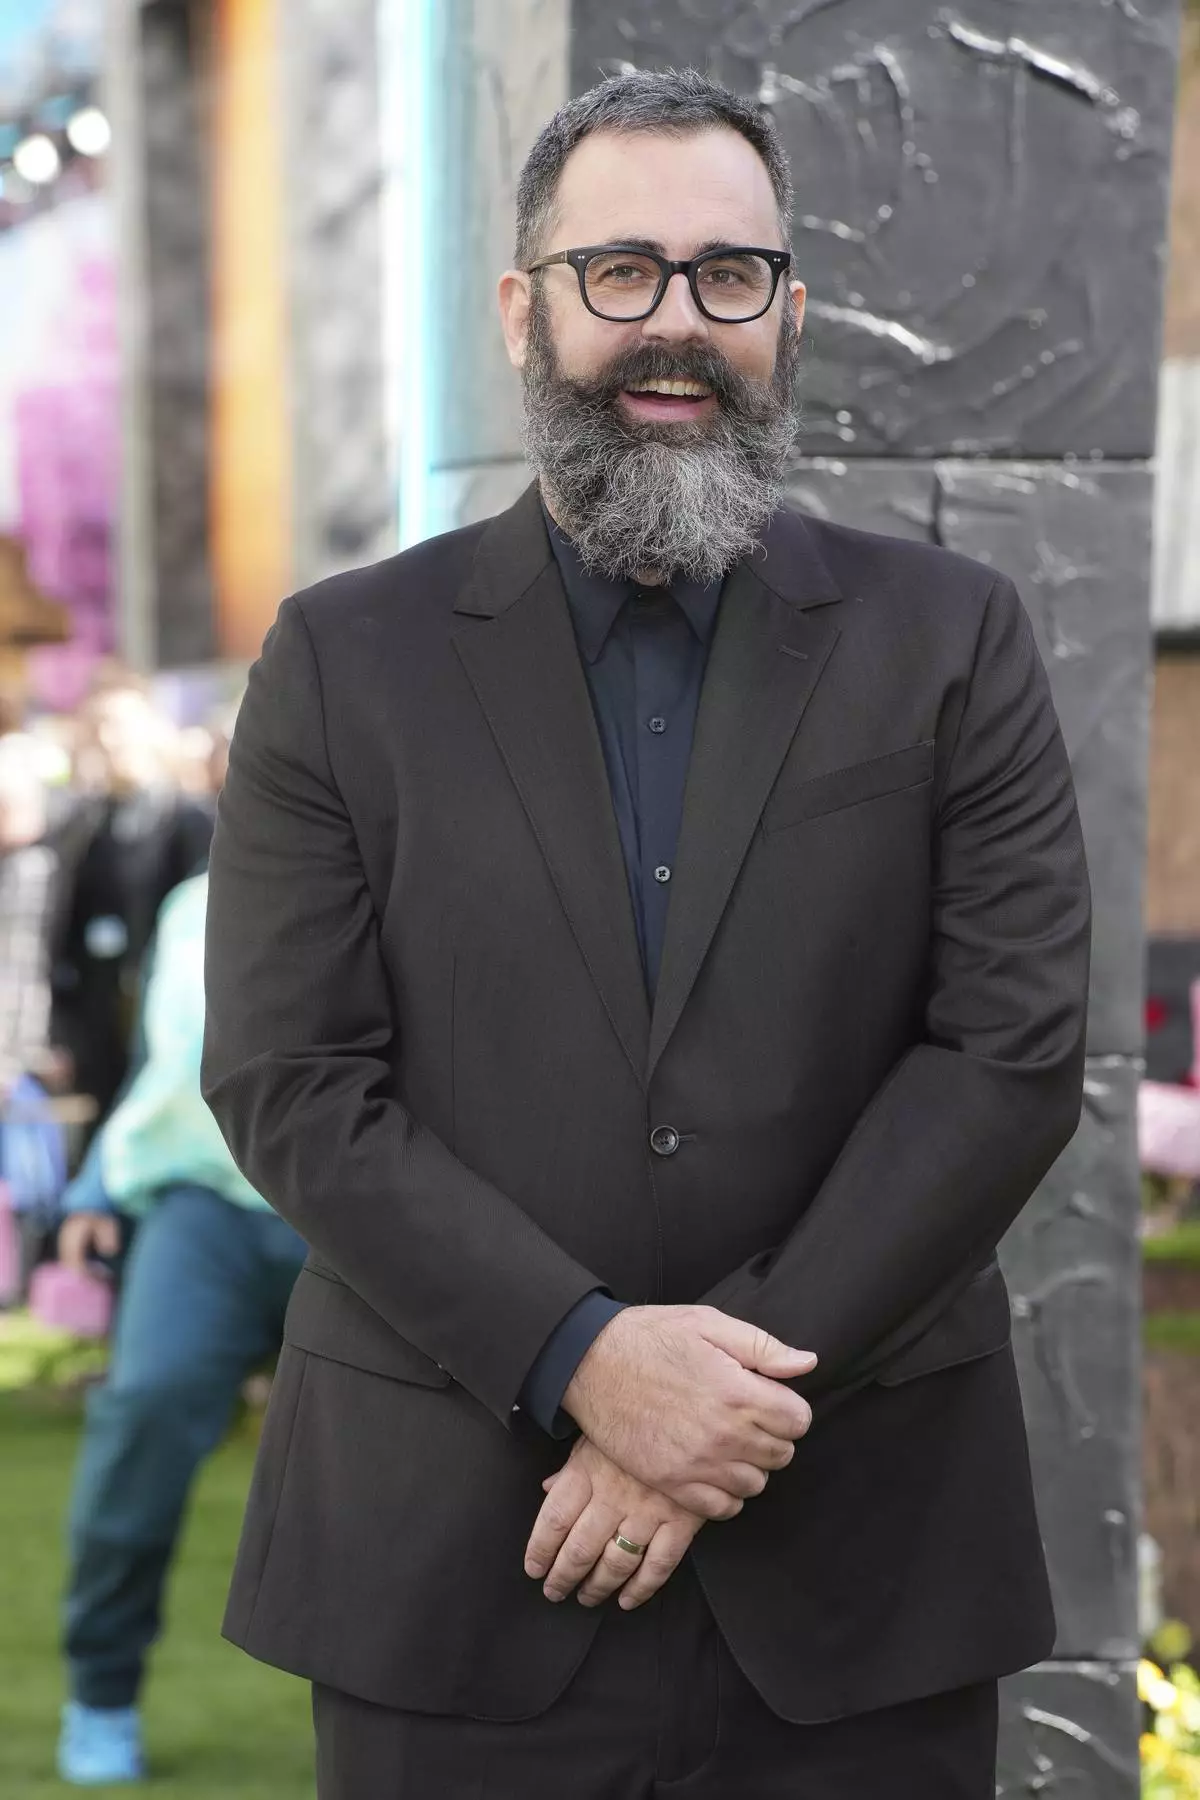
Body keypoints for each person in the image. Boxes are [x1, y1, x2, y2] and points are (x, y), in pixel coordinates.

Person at [202, 70, 1091, 1799]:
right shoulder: (343, 659)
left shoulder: (952, 636)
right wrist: (587, 1357)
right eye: (624, 272)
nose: (677, 326)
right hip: (454, 1568)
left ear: (792, 314)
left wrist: (703, 1424)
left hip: (862, 1583)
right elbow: (292, 1078)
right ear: (524, 309)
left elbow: (1005, 1056)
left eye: (728, 277)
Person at [54, 871, 307, 1786]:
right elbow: (164, 1060)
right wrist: (95, 1186)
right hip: (202, 1207)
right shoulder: (190, 902)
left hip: (358, 1212)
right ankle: (101, 1694)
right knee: (146, 1413)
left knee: (432, 1464)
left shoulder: (426, 868)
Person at [48, 670, 214, 1127]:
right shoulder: (83, 824)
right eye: (100, 725)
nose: (109, 738)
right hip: (99, 1013)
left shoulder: (189, 820)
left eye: (119, 724)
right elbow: (63, 930)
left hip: (168, 1012)